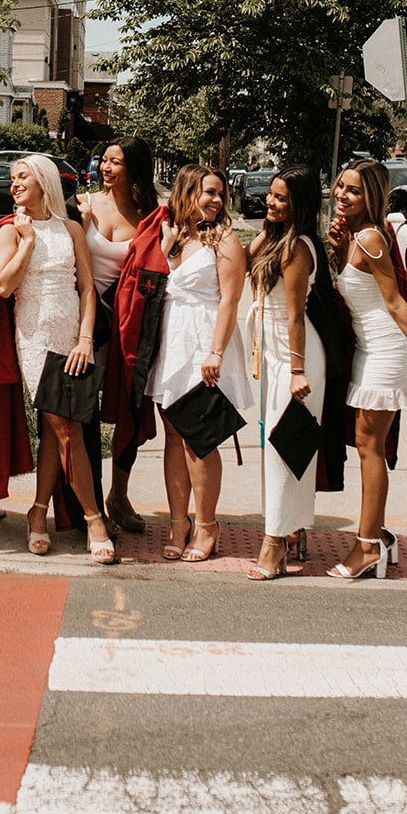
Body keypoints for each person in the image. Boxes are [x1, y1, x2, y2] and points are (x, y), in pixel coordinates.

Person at [327, 158, 407, 579]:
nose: (343, 195)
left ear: (372, 196)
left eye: (354, 190)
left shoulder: (371, 239)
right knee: (368, 446)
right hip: (369, 347)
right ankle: (379, 538)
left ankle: (366, 547)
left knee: (369, 447)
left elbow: (396, 301)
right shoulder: (352, 236)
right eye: (341, 187)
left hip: (386, 350)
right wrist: (334, 249)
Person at [0, 154, 113, 563]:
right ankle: (94, 518)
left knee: (57, 426)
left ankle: (38, 512)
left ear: (44, 181)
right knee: (66, 430)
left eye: (22, 176)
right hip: (34, 336)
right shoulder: (10, 230)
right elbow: (4, 287)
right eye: (12, 178)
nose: (14, 184)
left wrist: (84, 340)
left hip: (71, 337)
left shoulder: (71, 228)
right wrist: (26, 242)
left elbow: (88, 289)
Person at [146, 164, 250, 562]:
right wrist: (168, 245)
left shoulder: (224, 240)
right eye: (209, 192)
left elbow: (230, 299)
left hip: (205, 341)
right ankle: (178, 523)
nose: (217, 200)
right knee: (173, 435)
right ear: (188, 192)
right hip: (172, 341)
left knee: (198, 439)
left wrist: (217, 352)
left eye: (220, 194)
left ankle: (207, 525)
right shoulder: (173, 234)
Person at [246, 165, 330, 579]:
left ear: (300, 202)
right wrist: (270, 224)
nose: (271, 202)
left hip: (294, 352)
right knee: (277, 444)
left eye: (281, 198)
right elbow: (249, 259)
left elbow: (296, 316)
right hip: (273, 351)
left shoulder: (298, 249)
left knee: (283, 447)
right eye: (271, 195)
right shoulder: (278, 239)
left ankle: (274, 542)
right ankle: (289, 529)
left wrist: (297, 371)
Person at [76, 137, 158, 535]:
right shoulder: (86, 203)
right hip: (87, 322)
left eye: (116, 163)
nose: (106, 168)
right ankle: (90, 504)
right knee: (85, 413)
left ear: (135, 169)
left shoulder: (151, 214)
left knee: (130, 409)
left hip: (130, 327)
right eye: (104, 161)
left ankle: (119, 495)